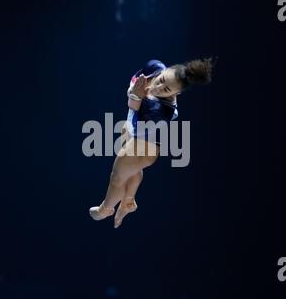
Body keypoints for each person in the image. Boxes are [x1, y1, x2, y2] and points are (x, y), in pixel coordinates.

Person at [89, 58, 212, 228]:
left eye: (166, 89)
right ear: (164, 70)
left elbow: (136, 128)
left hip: (145, 147)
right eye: (161, 80)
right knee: (130, 170)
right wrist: (134, 93)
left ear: (176, 94)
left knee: (117, 177)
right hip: (136, 133)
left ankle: (106, 209)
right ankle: (128, 202)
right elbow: (135, 79)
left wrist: (135, 98)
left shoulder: (163, 111)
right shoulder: (155, 67)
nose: (158, 87)